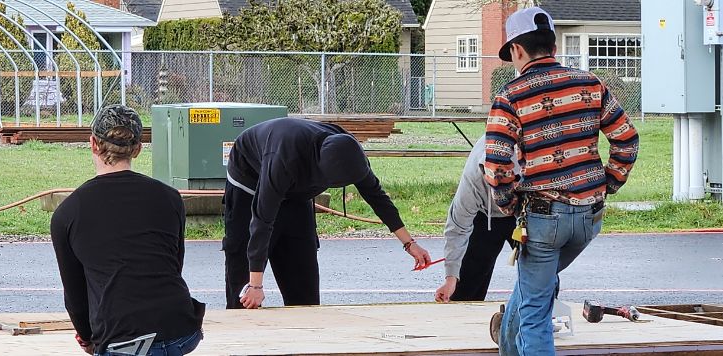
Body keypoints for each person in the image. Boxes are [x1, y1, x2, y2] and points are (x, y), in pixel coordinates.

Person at [484, 7, 639, 355]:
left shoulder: (510, 96)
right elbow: (627, 138)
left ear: (517, 51)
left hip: (542, 219)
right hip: (588, 219)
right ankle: (508, 348)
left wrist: (509, 204)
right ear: (553, 45)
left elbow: (495, 165)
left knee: (535, 314)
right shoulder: (590, 84)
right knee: (531, 289)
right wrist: (607, 183)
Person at [224, 117, 432, 310]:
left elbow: (378, 198)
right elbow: (262, 221)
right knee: (245, 287)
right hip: (250, 182)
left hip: (297, 192)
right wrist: (256, 286)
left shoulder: (350, 154)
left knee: (303, 285)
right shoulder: (284, 158)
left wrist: (409, 243)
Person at [51, 105, 205, 356]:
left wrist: (88, 338)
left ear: (92, 143)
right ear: (138, 148)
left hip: (122, 337)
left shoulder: (68, 213)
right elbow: (173, 264)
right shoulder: (170, 197)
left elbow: (75, 296)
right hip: (180, 329)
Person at [435, 136, 518, 303]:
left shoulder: (529, 163)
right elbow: (457, 228)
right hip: (485, 216)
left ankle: (546, 317)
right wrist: (450, 278)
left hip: (523, 210)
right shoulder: (472, 184)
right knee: (467, 281)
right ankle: (460, 320)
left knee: (541, 272)